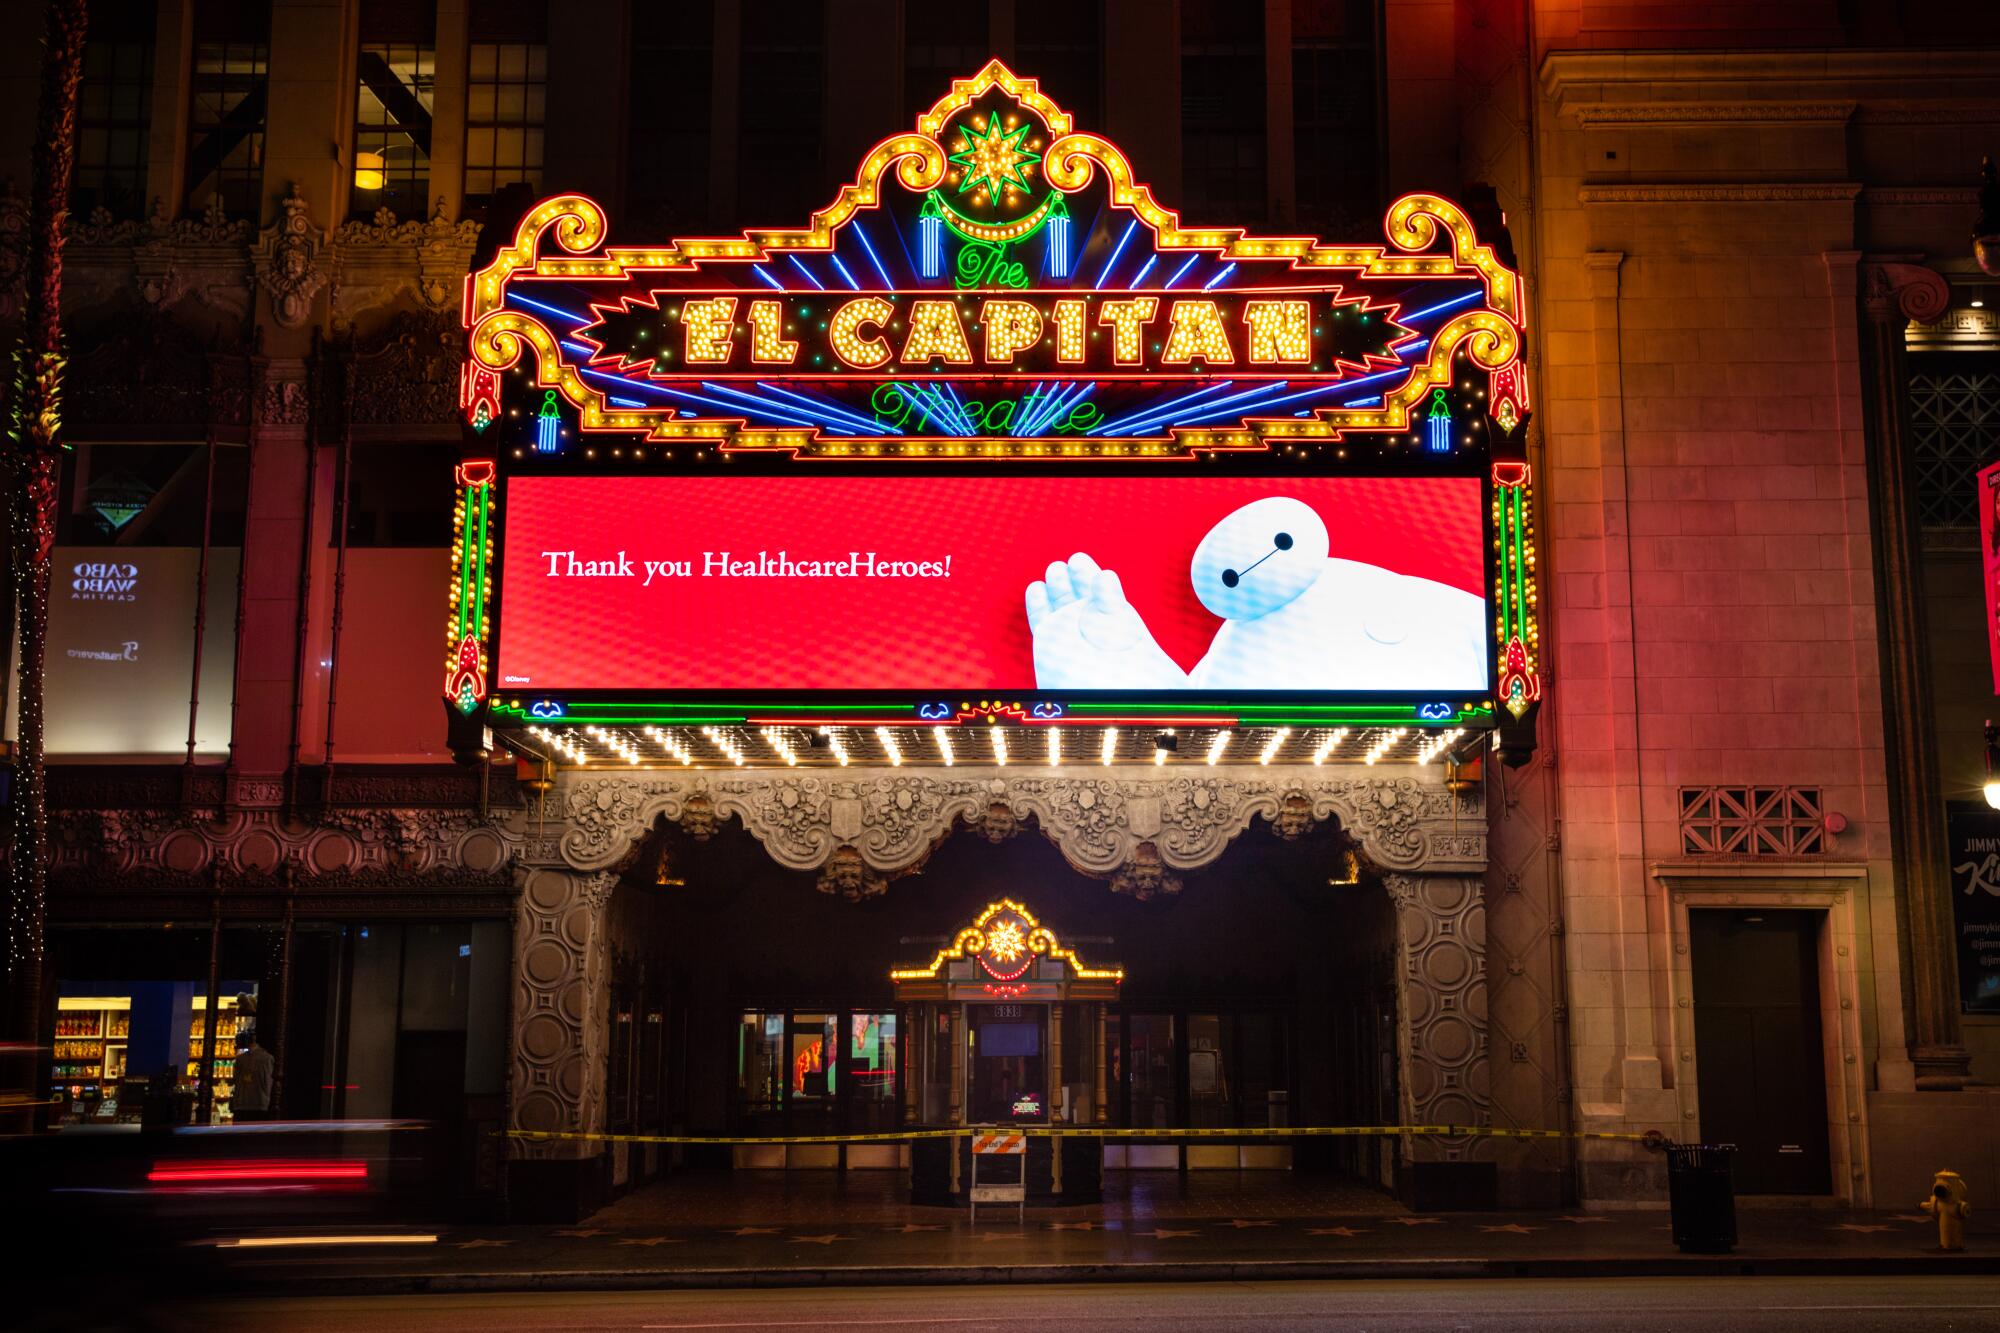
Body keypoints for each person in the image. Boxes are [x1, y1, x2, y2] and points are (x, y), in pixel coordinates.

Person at [233, 1031, 275, 1122]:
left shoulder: (240, 1059)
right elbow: (268, 1083)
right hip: (259, 1103)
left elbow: (235, 1080)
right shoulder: (267, 1058)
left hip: (242, 1102)